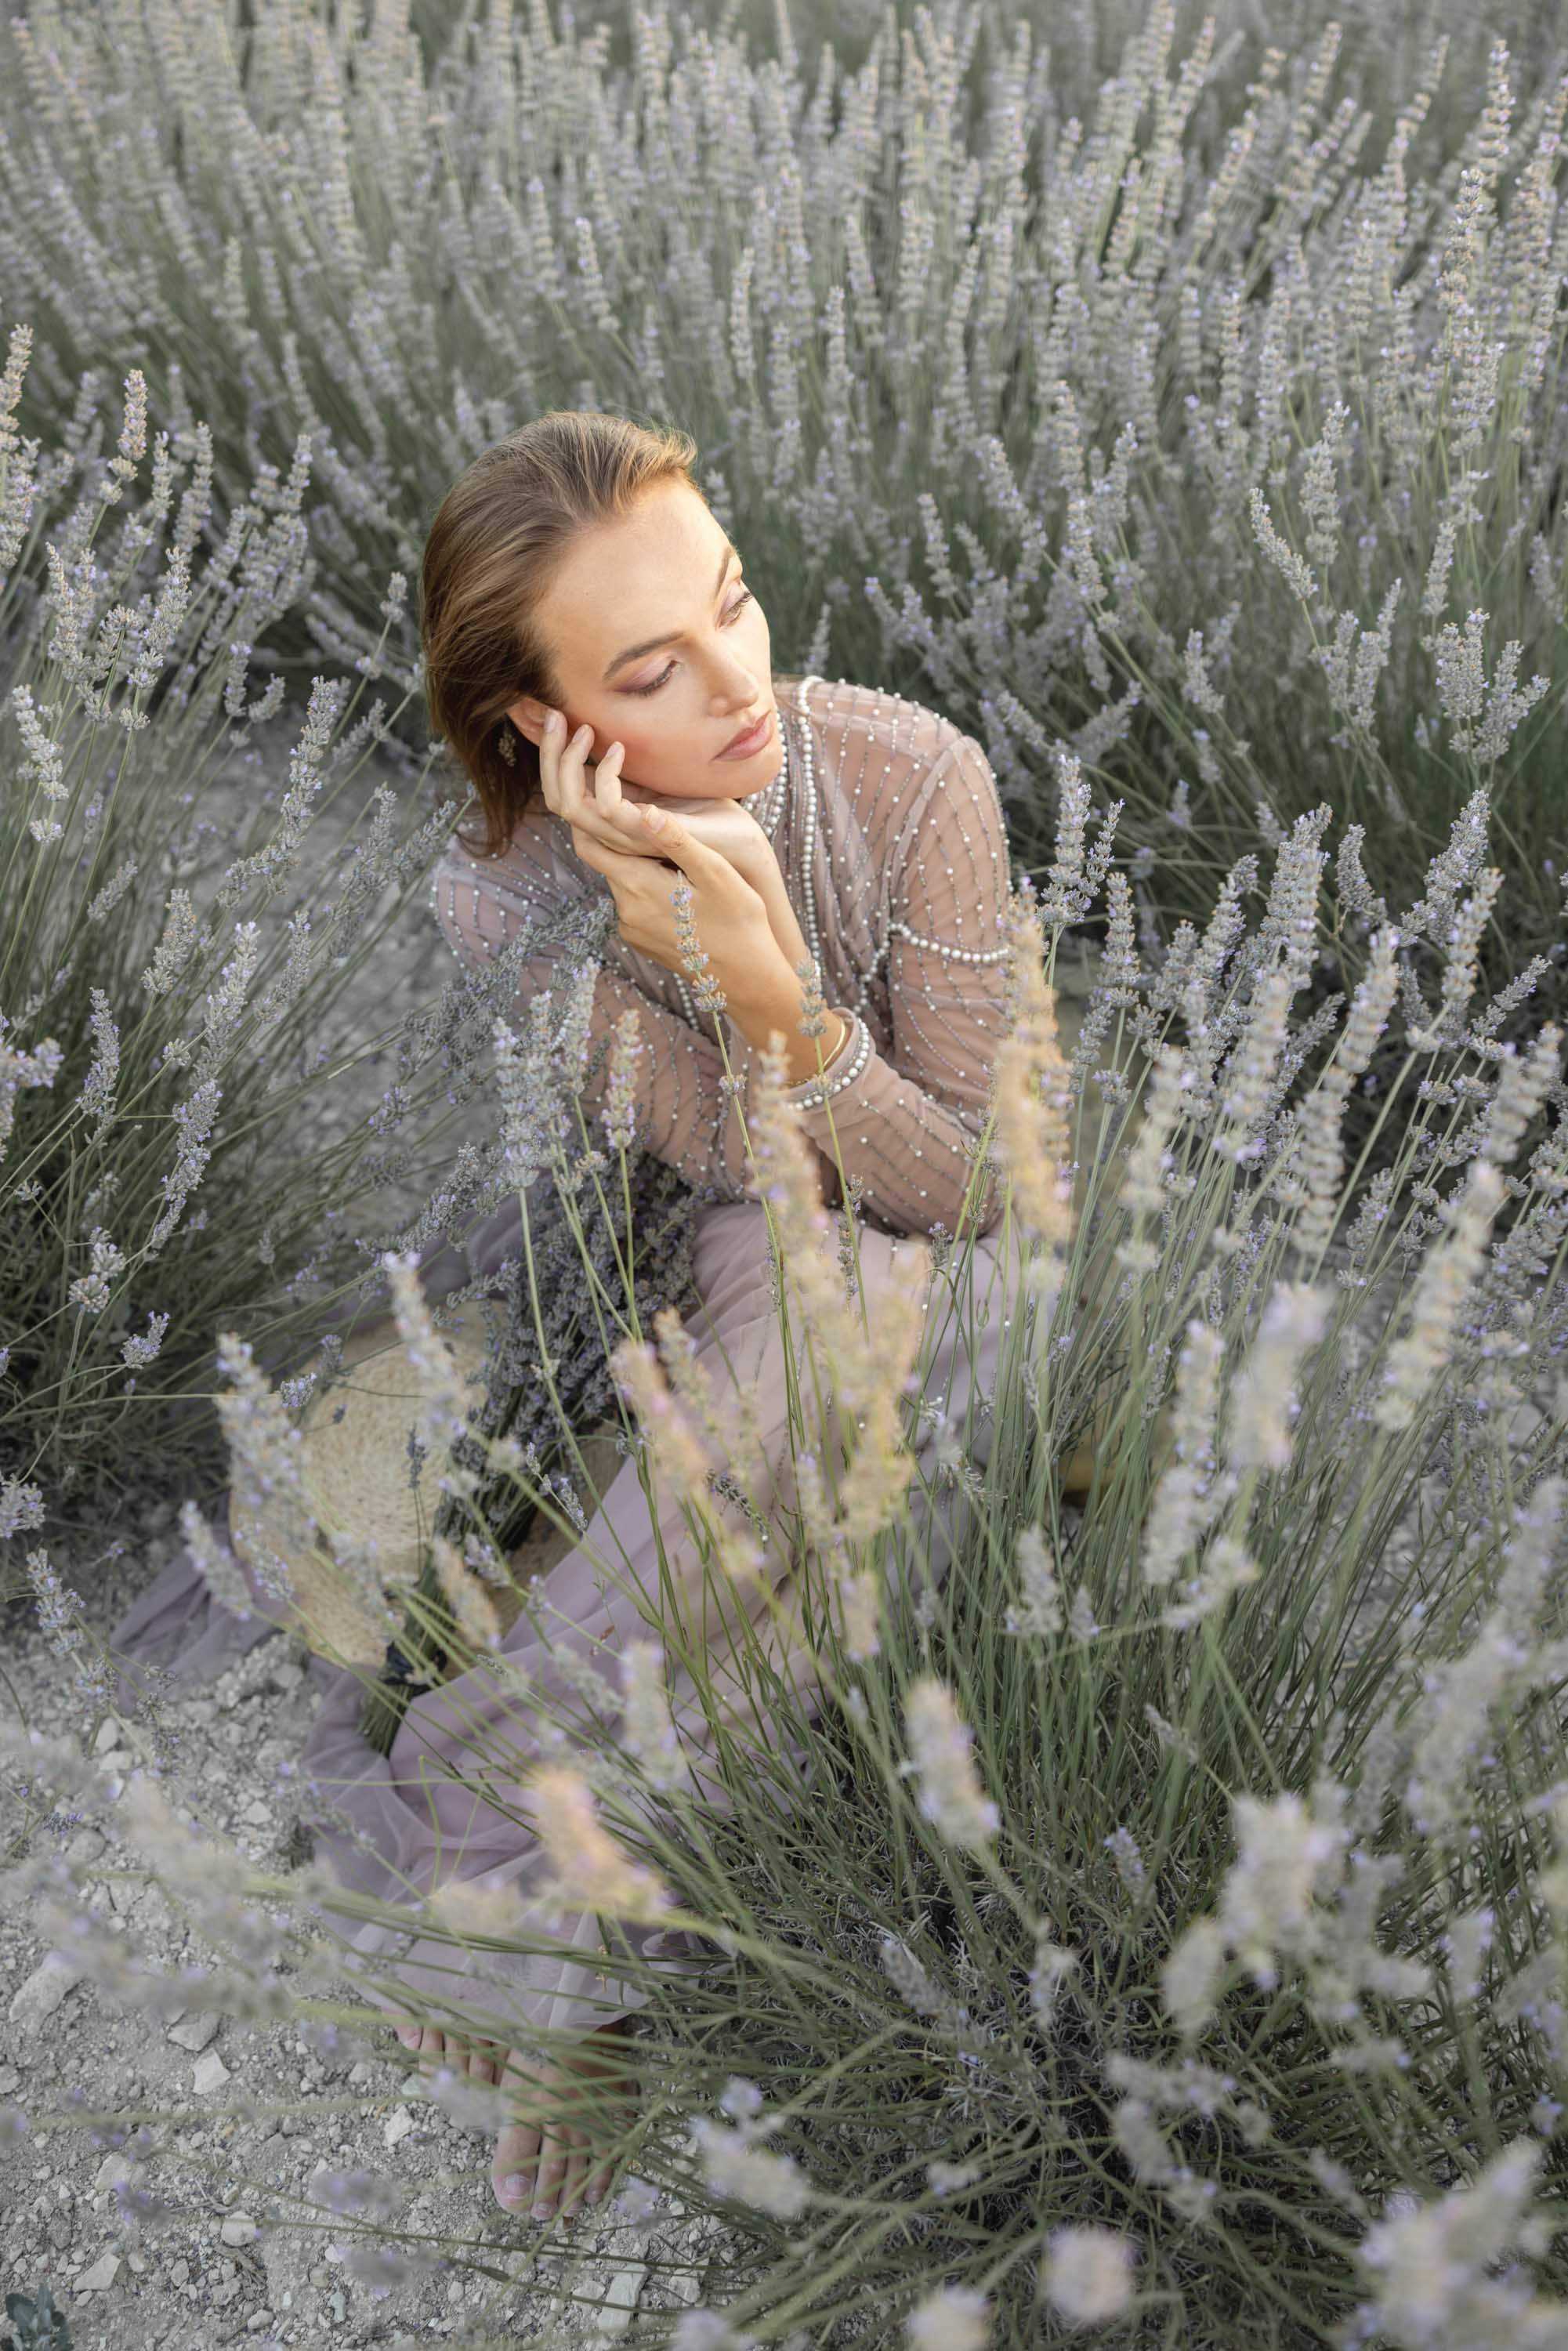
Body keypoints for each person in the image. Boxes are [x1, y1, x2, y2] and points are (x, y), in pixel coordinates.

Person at [113, 409, 1032, 2227]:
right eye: (649, 670)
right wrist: (653, 952)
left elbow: (968, 1186)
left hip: (953, 1240)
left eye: (735, 605)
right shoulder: (507, 900)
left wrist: (771, 986)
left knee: (928, 1328)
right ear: (543, 727)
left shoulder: (915, 779)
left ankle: (562, 1940)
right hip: (723, 1244)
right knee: (805, 1370)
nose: (734, 682)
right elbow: (713, 1186)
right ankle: (588, 1932)